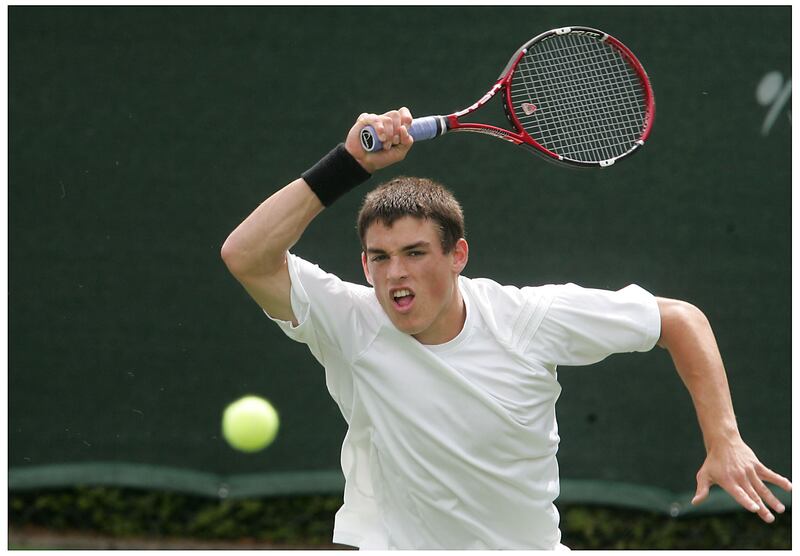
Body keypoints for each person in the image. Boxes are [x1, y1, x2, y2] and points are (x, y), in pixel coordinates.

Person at [221, 108, 792, 550]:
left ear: (457, 255)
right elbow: (245, 255)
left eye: (416, 252)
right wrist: (349, 163)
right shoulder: (350, 321)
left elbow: (678, 319)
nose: (396, 273)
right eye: (380, 256)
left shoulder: (525, 319)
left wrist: (725, 440)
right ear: (364, 264)